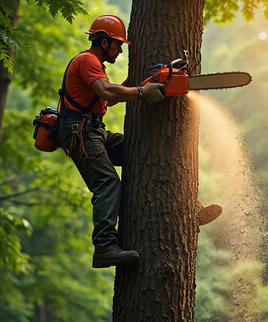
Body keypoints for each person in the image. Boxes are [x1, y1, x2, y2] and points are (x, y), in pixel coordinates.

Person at [57, 14, 222, 268]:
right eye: (118, 45)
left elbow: (109, 99)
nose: (120, 50)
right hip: (80, 133)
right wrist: (142, 91)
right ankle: (104, 247)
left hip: (94, 132)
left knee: (146, 151)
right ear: (104, 43)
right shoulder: (87, 60)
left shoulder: (96, 66)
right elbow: (107, 92)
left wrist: (138, 82)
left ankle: (190, 207)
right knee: (107, 183)